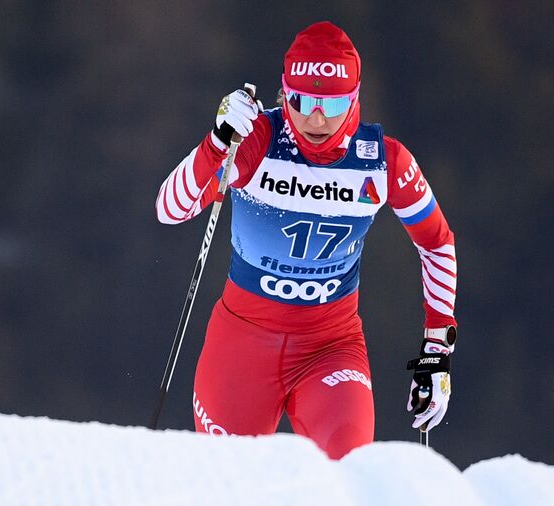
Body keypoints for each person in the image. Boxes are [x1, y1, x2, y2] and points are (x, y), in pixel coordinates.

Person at [155, 21, 458, 459]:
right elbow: (170, 209)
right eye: (303, 101)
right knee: (233, 492)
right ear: (284, 93)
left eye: (332, 104)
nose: (316, 118)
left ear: (354, 99)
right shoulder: (256, 141)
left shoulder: (383, 161)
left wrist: (437, 351)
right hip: (242, 344)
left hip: (330, 348)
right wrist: (217, 143)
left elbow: (436, 242)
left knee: (351, 472)